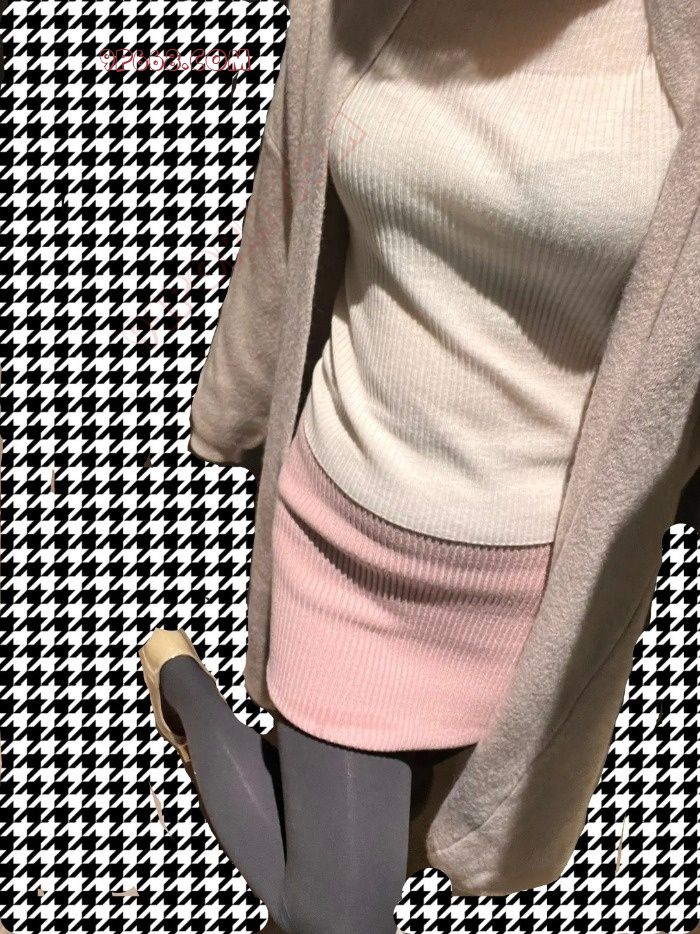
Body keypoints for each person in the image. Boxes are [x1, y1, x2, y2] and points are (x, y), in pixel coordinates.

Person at [140, 0, 689, 930]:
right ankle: (196, 698)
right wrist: (234, 404)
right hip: (345, 536)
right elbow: (286, 207)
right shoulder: (351, 11)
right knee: (341, 916)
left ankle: (187, 696)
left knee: (388, 845)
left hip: (539, 590)